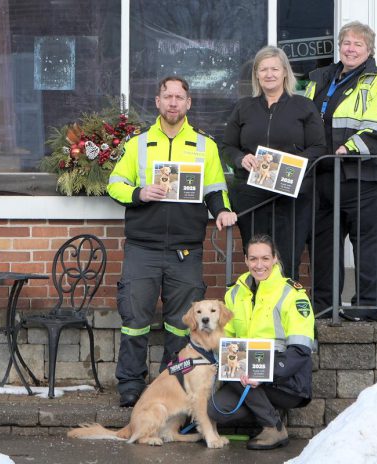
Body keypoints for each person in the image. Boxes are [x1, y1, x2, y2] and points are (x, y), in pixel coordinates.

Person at [108, 76, 237, 407]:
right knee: (135, 320)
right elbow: (115, 183)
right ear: (157, 101)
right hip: (143, 247)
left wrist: (222, 211)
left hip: (186, 248)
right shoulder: (138, 144)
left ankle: (174, 382)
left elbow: (216, 189)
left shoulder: (204, 146)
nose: (173, 102)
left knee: (181, 324)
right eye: (168, 96)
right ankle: (131, 385)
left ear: (188, 103)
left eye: (180, 97)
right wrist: (139, 192)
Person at [304, 21, 377, 321]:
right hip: (325, 177)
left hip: (371, 179)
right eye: (346, 43)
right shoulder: (319, 79)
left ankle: (366, 307)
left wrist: (348, 148)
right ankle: (324, 307)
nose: (350, 48)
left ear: (369, 49)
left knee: (371, 249)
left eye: (357, 44)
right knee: (323, 248)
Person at [221, 46, 326, 279]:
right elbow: (227, 147)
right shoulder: (243, 107)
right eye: (263, 69)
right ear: (256, 74)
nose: (269, 74)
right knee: (257, 257)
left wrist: (291, 163)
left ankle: (283, 310)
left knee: (287, 256)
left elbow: (319, 147)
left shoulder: (303, 106)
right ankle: (259, 310)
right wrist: (240, 158)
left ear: (285, 72)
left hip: (291, 197)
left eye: (275, 69)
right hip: (251, 195)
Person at [208, 234, 315, 450]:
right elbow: (224, 339)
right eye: (254, 259)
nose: (259, 265)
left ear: (275, 259)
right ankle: (262, 406)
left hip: (287, 379)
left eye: (265, 258)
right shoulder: (235, 293)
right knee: (215, 409)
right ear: (246, 260)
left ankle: (273, 427)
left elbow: (301, 351)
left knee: (238, 374)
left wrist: (263, 374)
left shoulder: (293, 294)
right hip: (245, 373)